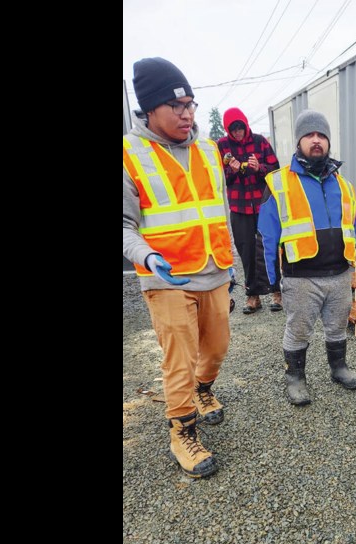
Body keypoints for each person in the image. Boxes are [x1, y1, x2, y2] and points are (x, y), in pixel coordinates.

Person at [123, 57, 239, 478]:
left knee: (217, 349)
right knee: (180, 359)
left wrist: (231, 267)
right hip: (165, 277)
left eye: (190, 103)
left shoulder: (209, 150)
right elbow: (124, 225)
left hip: (213, 270)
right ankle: (182, 433)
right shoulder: (129, 154)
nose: (187, 113)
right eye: (177, 106)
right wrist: (146, 256)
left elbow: (219, 213)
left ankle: (204, 392)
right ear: (150, 110)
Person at [258, 110, 356, 406]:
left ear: (328, 142)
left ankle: (338, 368)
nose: (316, 141)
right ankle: (296, 378)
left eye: (322, 136)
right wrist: (270, 279)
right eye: (310, 135)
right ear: (299, 141)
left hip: (339, 274)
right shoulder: (278, 183)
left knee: (337, 326)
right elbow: (266, 234)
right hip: (302, 278)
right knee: (298, 329)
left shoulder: (343, 185)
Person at [217, 108, 282, 315]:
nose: (237, 133)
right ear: (228, 130)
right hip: (239, 207)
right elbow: (218, 179)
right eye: (233, 129)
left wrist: (259, 168)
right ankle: (252, 295)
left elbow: (276, 170)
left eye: (240, 128)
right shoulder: (221, 146)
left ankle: (276, 292)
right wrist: (232, 171)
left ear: (245, 125)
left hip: (263, 205)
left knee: (269, 247)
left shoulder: (260, 141)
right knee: (246, 251)